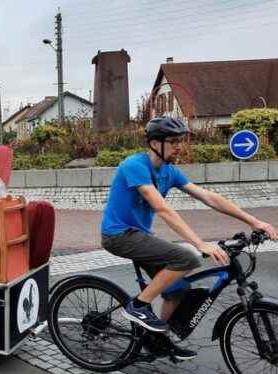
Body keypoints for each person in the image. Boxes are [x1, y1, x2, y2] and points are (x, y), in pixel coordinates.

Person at [101, 116, 278, 360]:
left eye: (180, 141)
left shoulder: (168, 172)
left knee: (177, 290)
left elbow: (208, 197)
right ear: (154, 143)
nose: (178, 146)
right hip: (118, 235)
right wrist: (199, 243)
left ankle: (155, 340)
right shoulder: (135, 165)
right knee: (186, 258)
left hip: (140, 235)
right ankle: (139, 306)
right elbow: (162, 209)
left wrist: (254, 221)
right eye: (172, 141)